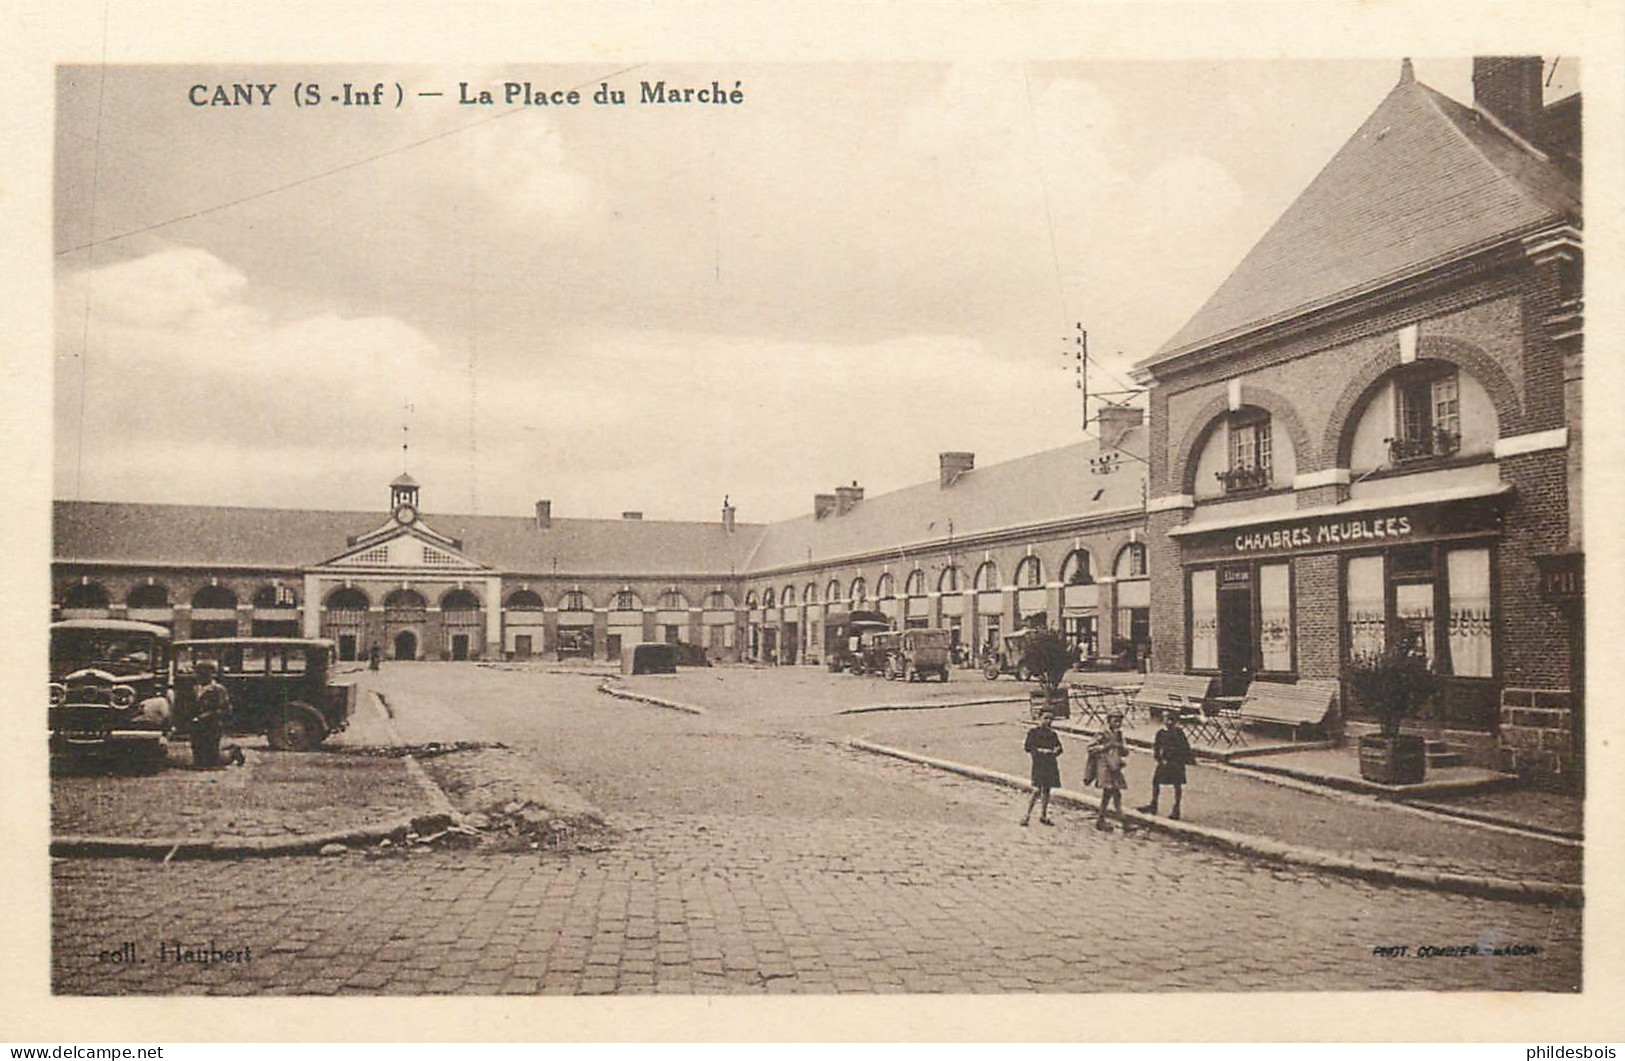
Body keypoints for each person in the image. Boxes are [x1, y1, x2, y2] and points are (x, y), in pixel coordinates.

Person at [1139, 711, 1194, 819]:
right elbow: (1156, 747)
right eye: (1166, 719)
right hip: (1164, 762)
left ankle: (1176, 808)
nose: (1168, 722)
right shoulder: (1160, 733)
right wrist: (1159, 759)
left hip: (1176, 763)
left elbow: (1184, 748)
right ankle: (1153, 804)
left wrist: (1177, 760)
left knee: (1177, 785)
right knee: (1156, 782)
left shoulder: (1178, 733)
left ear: (1175, 722)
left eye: (1170, 720)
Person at [1020, 711, 1063, 827]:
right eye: (1045, 718)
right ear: (1039, 719)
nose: (1048, 721)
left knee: (1047, 790)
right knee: (1037, 790)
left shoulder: (1053, 734)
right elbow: (1028, 747)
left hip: (1050, 763)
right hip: (1039, 763)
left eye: (1050, 719)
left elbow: (1059, 747)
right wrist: (1039, 751)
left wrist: (1055, 751)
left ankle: (1043, 815)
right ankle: (1027, 815)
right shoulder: (1033, 733)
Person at [1089, 709, 1129, 831]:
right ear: (1109, 721)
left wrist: (1121, 748)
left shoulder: (1119, 734)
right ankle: (1120, 820)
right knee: (1111, 792)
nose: (1118, 724)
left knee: (1113, 793)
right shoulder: (1102, 733)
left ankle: (1103, 820)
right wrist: (1107, 746)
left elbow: (1125, 752)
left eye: (1120, 721)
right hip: (1104, 766)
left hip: (1115, 766)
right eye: (1115, 721)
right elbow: (1091, 748)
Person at [189, 659, 232, 769]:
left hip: (211, 724)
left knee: (211, 749)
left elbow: (225, 709)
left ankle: (231, 754)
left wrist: (207, 716)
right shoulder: (195, 689)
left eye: (200, 673)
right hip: (196, 724)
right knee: (196, 746)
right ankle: (199, 763)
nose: (197, 676)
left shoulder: (218, 689)